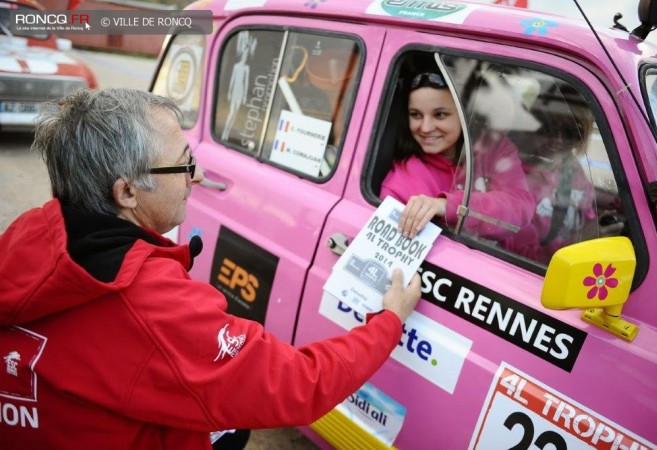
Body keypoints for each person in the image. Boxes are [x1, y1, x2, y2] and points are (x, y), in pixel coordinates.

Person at [0, 88, 421, 450]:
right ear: (127, 192)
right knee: (234, 424)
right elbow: (300, 384)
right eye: (184, 164)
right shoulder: (149, 303)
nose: (197, 176)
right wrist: (388, 321)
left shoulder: (29, 236)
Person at [380, 70, 535, 241]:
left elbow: (521, 206)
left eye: (440, 114)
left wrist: (448, 205)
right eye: (416, 115)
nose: (425, 128)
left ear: (465, 115)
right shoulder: (398, 185)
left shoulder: (494, 148)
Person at [504, 95, 625, 263]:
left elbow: (586, 204)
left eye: (570, 132)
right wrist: (578, 242)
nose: (558, 140)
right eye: (548, 128)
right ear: (532, 126)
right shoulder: (514, 180)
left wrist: (621, 205)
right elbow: (519, 258)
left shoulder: (569, 165)